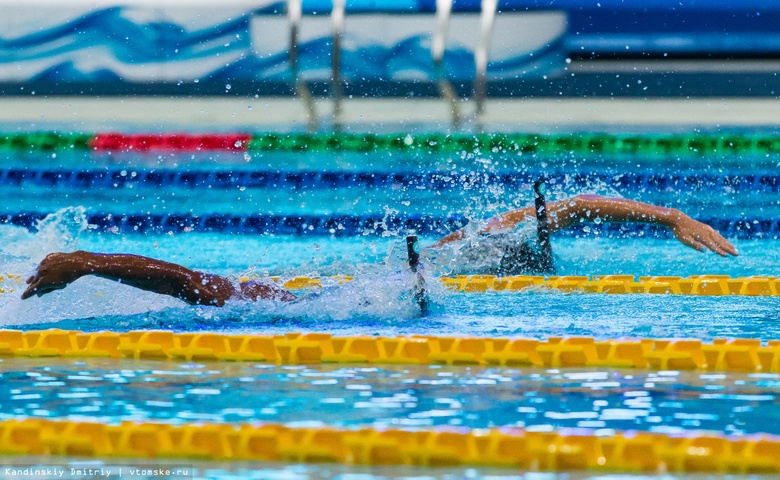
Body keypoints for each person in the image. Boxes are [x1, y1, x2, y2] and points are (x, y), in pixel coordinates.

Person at [21, 194, 737, 306]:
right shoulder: (486, 242)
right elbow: (573, 205)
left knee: (235, 295)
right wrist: (669, 215)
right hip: (376, 293)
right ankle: (83, 260)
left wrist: (666, 217)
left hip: (387, 289)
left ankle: (85, 262)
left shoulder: (490, 252)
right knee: (232, 297)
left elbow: (568, 209)